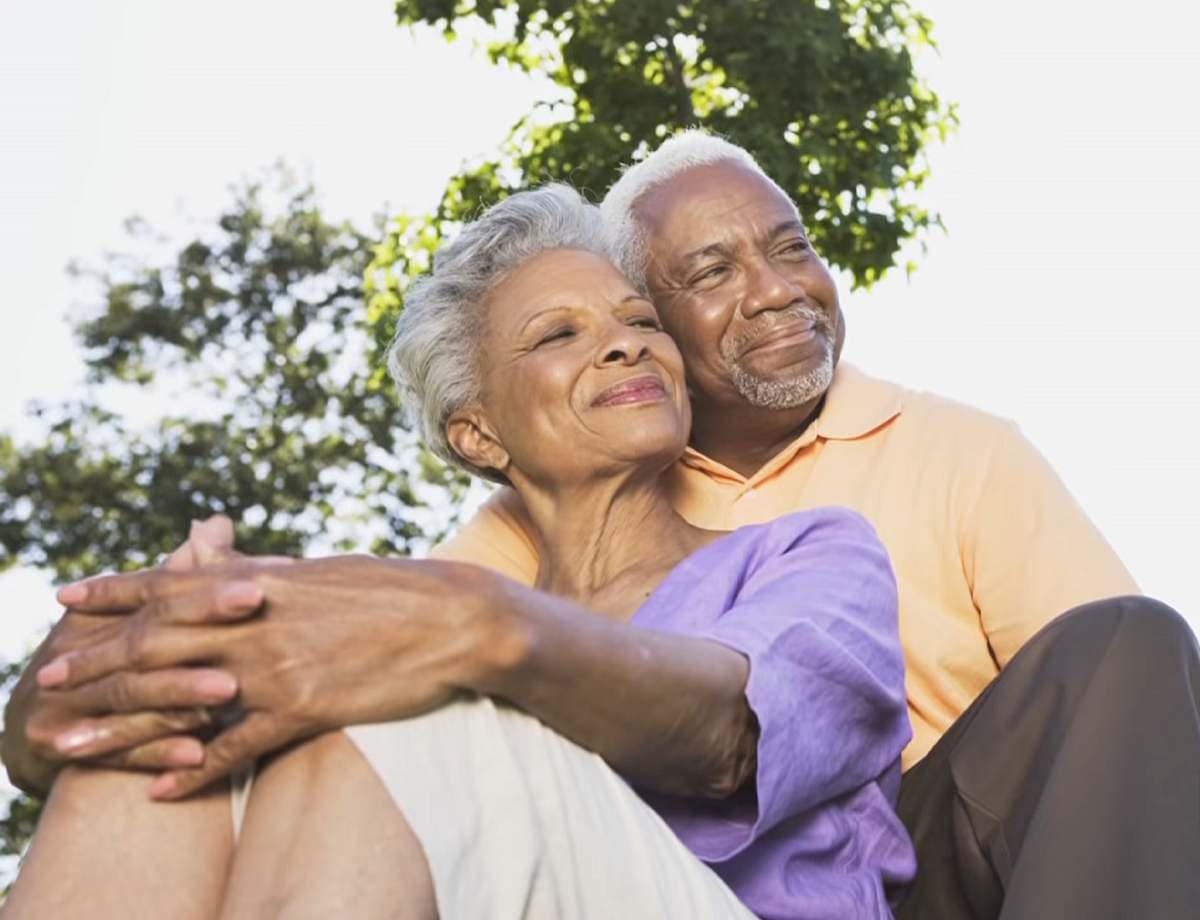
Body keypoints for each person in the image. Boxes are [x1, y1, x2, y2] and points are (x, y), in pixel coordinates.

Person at [6, 129, 1199, 917]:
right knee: (157, 756)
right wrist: (76, 691)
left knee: (422, 724)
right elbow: (297, 660)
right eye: (557, 335)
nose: (621, 340)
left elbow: (729, 729)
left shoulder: (814, 551)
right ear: (479, 433)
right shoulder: (468, 571)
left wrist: (474, 638)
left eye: (631, 318)